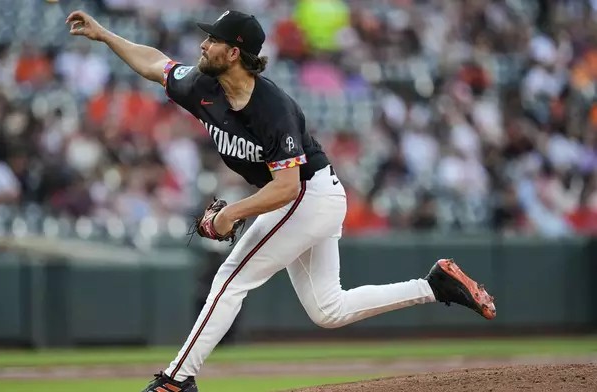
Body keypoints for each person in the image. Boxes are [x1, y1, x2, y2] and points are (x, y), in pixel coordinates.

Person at [66, 10, 496, 392]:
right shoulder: (202, 85)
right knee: (328, 309)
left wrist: (231, 214)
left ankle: (176, 380)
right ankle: (433, 285)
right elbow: (156, 64)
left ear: (234, 53)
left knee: (230, 279)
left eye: (212, 38)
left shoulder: (273, 109)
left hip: (308, 194)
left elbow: (287, 187)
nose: (202, 44)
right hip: (309, 196)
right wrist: (105, 34)